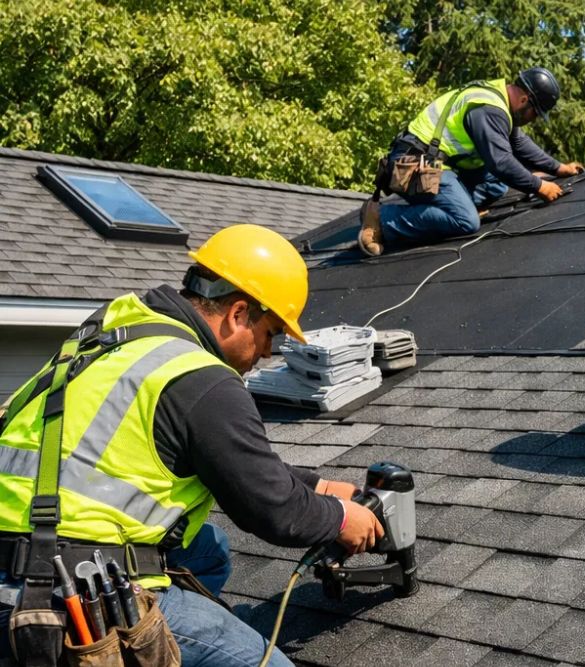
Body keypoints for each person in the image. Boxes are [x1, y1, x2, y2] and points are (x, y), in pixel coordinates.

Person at [0, 224, 384, 666]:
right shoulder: (200, 378)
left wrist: (317, 486)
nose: (267, 352)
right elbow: (274, 512)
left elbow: (229, 459)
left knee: (209, 549)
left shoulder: (116, 336)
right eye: (271, 333)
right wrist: (340, 518)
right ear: (239, 314)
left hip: (22, 550)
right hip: (60, 596)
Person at [358, 67, 585, 256]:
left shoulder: (497, 99)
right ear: (525, 99)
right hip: (413, 165)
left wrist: (558, 167)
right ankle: (382, 218)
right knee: (465, 221)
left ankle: (446, 207)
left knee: (496, 184)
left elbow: (518, 144)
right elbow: (502, 161)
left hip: (437, 165)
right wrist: (539, 186)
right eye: (535, 113)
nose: (533, 120)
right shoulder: (488, 109)